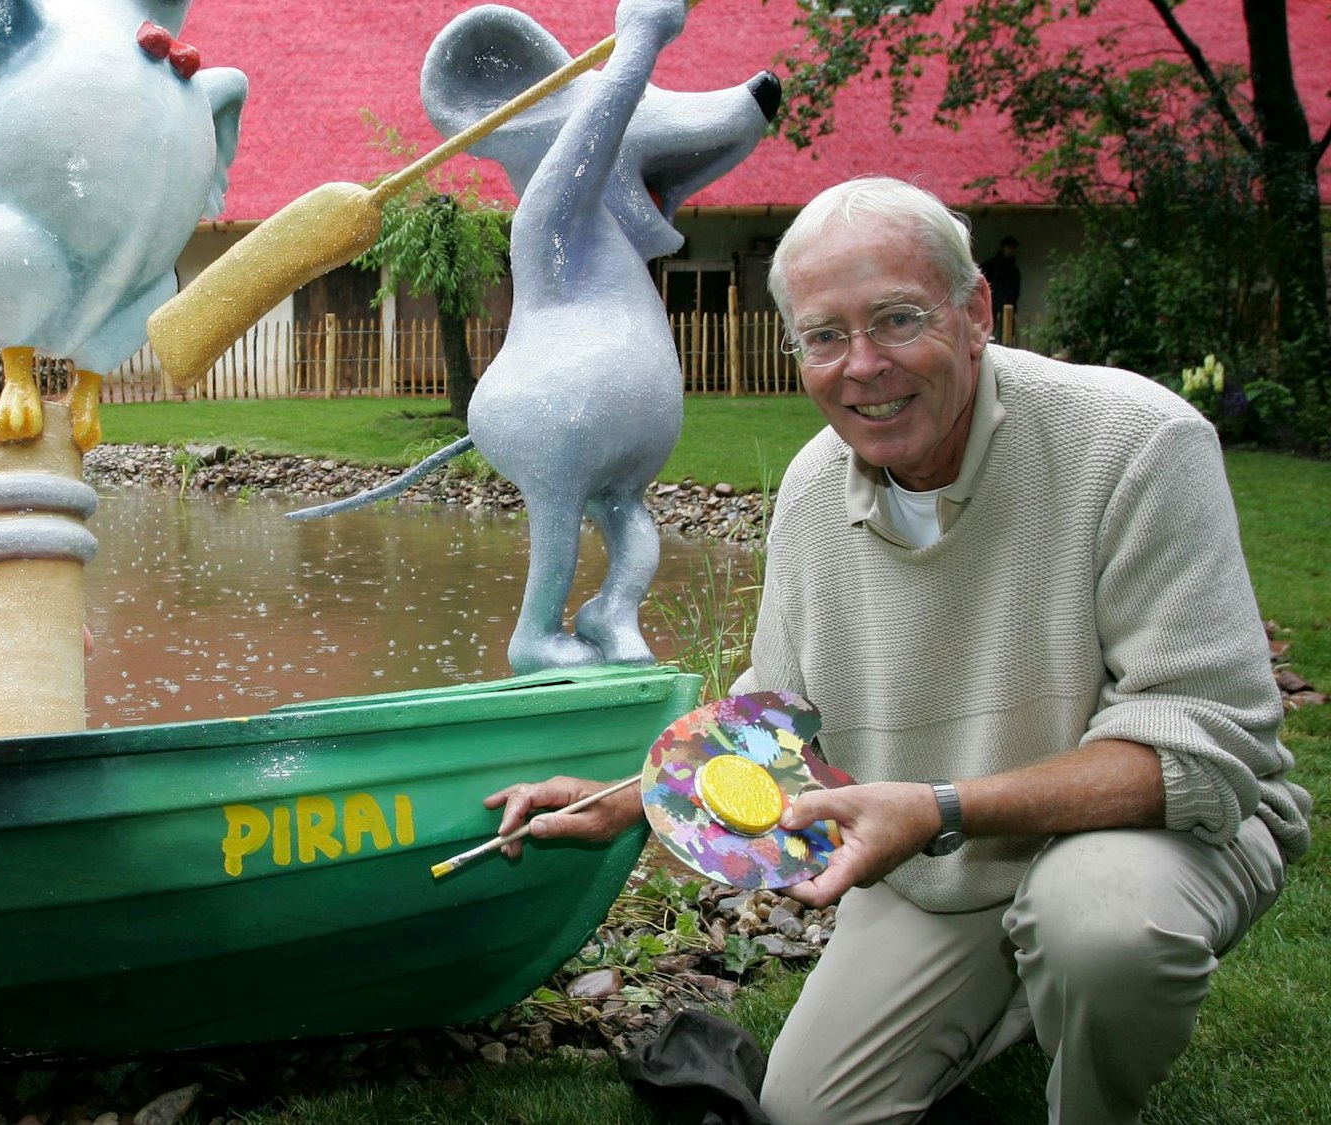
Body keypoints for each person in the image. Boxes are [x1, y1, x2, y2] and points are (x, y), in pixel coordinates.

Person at [487, 176, 1308, 1125]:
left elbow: (1202, 745)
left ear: (976, 314)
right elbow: (779, 711)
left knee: (1098, 926)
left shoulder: (1137, 441)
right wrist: (623, 800)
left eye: (897, 319)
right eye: (826, 336)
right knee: (807, 1111)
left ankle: (1090, 1081)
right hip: (945, 853)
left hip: (1154, 833)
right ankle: (1021, 988)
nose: (863, 364)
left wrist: (936, 806)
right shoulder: (809, 491)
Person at [979, 234, 1021, 315]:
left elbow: (1016, 290)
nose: (1010, 250)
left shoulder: (1014, 270)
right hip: (991, 305)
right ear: (1002, 248)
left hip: (1008, 305)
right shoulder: (991, 266)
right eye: (1008, 247)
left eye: (1012, 248)